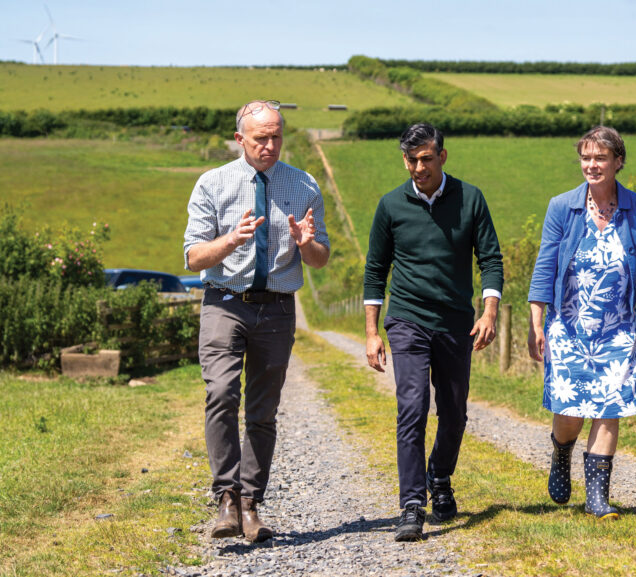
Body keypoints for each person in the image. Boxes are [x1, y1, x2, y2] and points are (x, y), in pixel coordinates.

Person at [183, 99, 330, 542]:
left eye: (276, 137)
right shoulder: (213, 184)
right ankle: (225, 497)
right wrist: (230, 241)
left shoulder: (303, 185)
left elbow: (320, 258)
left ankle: (250, 503)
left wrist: (307, 244)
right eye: (260, 138)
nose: (269, 146)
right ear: (239, 139)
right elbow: (192, 257)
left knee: (263, 412)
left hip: (277, 308)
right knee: (222, 394)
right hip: (224, 302)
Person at [363, 122, 504, 542]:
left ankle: (439, 477)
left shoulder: (470, 198)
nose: (419, 167)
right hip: (407, 318)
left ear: (443, 156)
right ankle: (411, 504)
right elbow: (375, 271)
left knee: (455, 412)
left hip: (456, 322)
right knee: (412, 406)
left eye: (426, 158)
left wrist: (489, 310)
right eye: (411, 160)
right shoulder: (391, 205)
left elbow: (490, 259)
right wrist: (372, 331)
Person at [527, 126, 636, 520]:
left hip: (618, 329)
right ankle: (562, 451)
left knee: (609, 407)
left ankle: (597, 499)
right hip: (567, 328)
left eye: (600, 158)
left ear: (618, 162)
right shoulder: (562, 207)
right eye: (586, 157)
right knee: (570, 412)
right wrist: (536, 323)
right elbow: (544, 268)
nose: (592, 165)